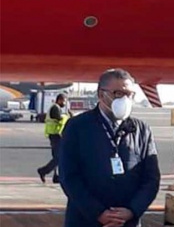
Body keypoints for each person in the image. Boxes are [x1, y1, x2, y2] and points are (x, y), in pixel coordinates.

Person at [59, 69, 160, 227]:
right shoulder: (77, 127)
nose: (125, 99)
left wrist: (132, 211)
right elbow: (69, 176)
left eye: (129, 95)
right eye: (118, 93)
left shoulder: (141, 130)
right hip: (86, 220)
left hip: (127, 221)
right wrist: (98, 213)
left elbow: (151, 178)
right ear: (101, 95)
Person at [37, 93, 71, 184]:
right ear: (59, 100)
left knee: (56, 157)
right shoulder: (55, 108)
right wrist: (67, 116)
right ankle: (43, 171)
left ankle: (56, 176)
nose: (64, 103)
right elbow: (59, 119)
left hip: (55, 135)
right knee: (59, 157)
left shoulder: (56, 108)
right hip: (55, 135)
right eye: (64, 101)